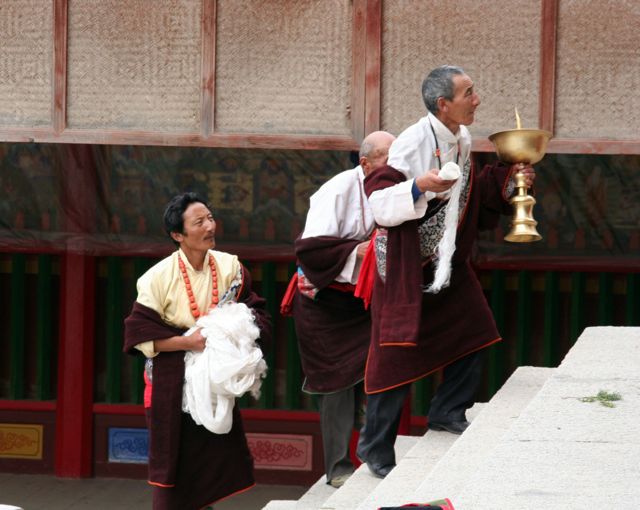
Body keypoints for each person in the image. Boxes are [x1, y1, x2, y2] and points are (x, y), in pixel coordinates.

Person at [355, 65, 535, 478]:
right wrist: (419, 186)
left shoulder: (462, 138)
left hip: (445, 259)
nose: (477, 99)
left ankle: (447, 411)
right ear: (444, 104)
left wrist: (510, 181)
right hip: (404, 265)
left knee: (475, 329)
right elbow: (380, 203)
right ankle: (375, 448)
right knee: (394, 358)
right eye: (469, 93)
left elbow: (469, 192)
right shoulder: (411, 143)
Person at [123, 192, 271, 510]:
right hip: (169, 382)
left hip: (212, 383)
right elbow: (137, 335)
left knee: (209, 468)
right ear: (178, 235)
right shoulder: (157, 278)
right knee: (174, 468)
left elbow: (255, 310)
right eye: (199, 222)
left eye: (211, 218)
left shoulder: (230, 265)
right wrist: (187, 343)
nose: (210, 226)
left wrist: (233, 331)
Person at [283, 131, 395, 488]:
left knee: (379, 367)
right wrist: (357, 251)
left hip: (361, 301)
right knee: (335, 383)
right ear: (366, 164)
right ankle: (337, 466)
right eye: (387, 160)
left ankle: (373, 450)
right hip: (323, 301)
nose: (395, 168)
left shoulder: (394, 189)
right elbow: (312, 251)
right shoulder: (336, 191)